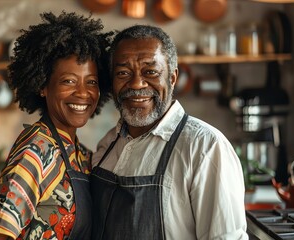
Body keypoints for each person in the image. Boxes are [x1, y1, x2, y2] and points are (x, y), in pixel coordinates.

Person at [90, 25, 248, 240]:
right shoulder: (108, 143)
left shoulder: (205, 147)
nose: (136, 83)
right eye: (123, 73)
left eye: (151, 72)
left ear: (172, 78)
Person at [0, 11, 112, 240]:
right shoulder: (36, 152)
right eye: (68, 81)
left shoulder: (80, 154)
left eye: (91, 82)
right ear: (43, 86)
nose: (83, 92)